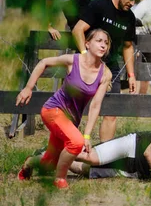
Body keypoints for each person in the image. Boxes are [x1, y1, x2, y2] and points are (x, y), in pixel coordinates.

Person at [16, 29, 113, 189]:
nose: (103, 45)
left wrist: (87, 135)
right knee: (76, 142)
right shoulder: (73, 61)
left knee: (50, 161)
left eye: (106, 43)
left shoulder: (105, 73)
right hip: (53, 110)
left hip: (70, 121)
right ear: (87, 44)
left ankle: (30, 163)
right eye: (99, 41)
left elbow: (95, 106)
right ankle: (59, 179)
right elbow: (44, 62)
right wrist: (28, 88)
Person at [72, 0, 140, 142]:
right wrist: (84, 55)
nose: (131, 3)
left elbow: (127, 46)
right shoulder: (99, 6)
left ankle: (103, 157)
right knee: (74, 109)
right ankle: (68, 147)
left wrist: (131, 75)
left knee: (111, 112)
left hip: (110, 67)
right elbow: (77, 30)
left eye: (135, 1)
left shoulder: (129, 17)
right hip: (85, 64)